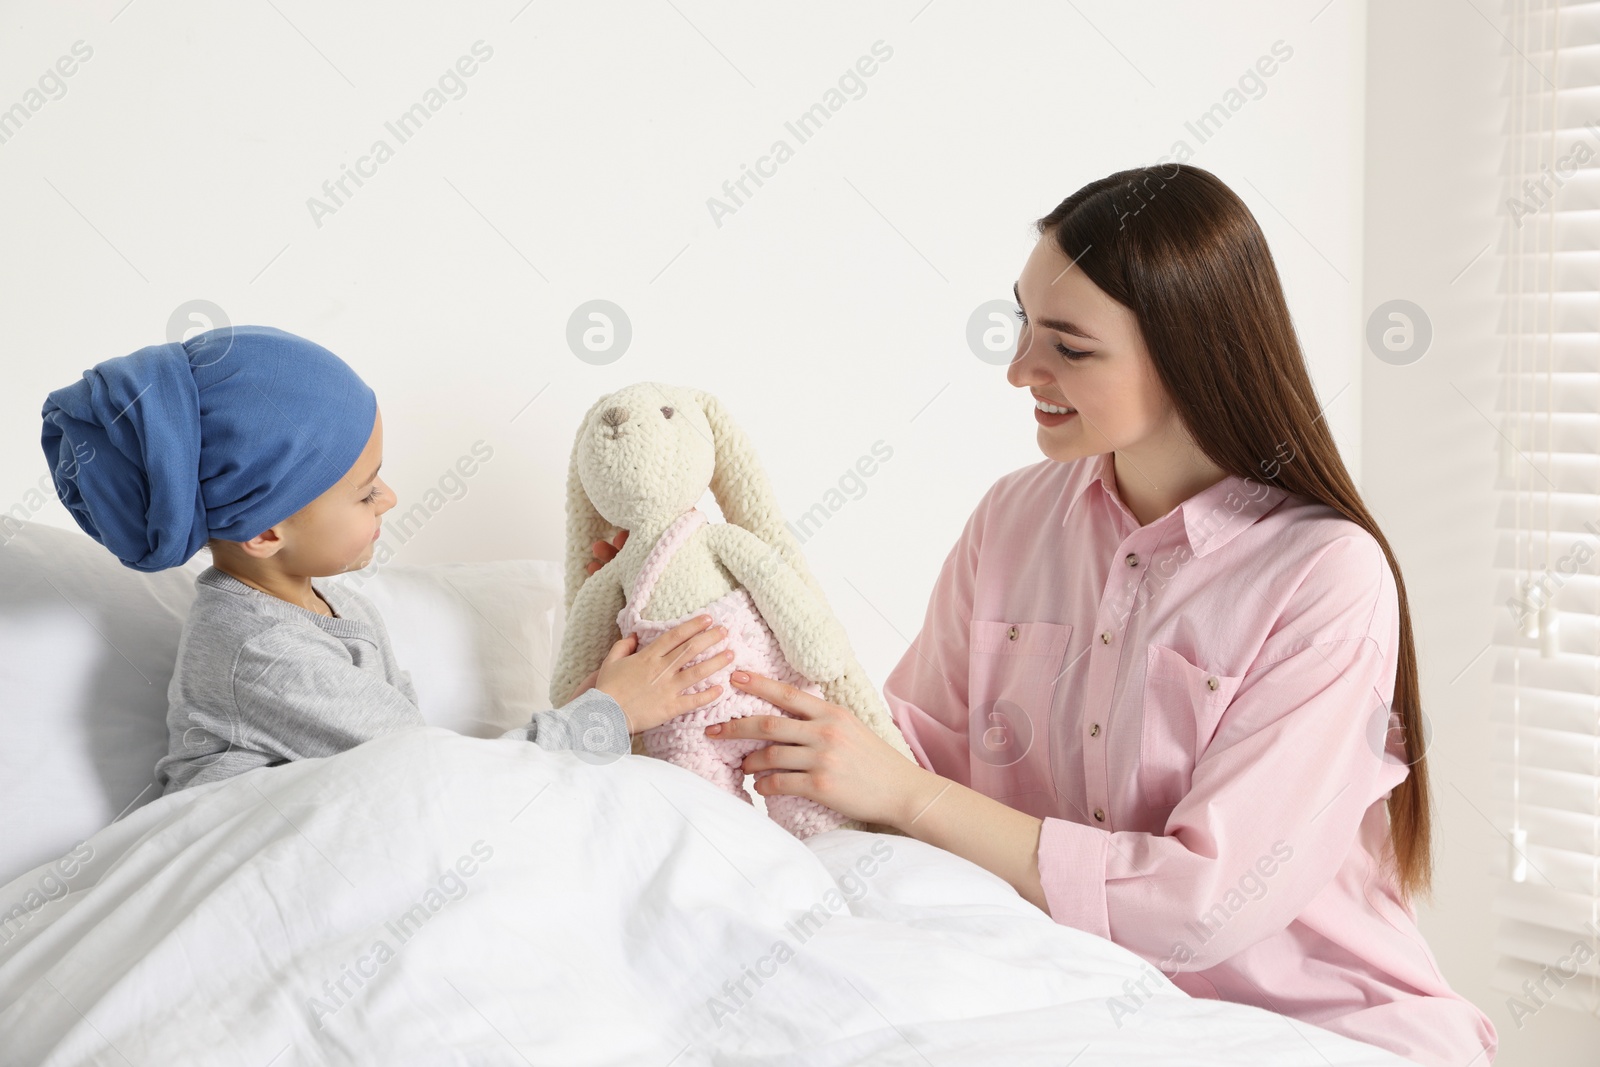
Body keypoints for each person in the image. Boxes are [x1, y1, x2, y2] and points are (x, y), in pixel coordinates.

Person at [589, 165, 1497, 1066]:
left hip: (1324, 1022)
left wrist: (906, 792)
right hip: (1068, 993)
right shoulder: (1014, 519)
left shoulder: (1324, 576)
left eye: (1070, 345)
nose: (1022, 367)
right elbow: (900, 747)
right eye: (1024, 322)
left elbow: (1199, 905)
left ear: (1189, 352)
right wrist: (696, 605)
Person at [40, 324, 733, 794]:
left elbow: (411, 757)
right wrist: (607, 712)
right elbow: (430, 773)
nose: (391, 496)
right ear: (264, 533)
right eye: (366, 490)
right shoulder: (255, 651)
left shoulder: (335, 605)